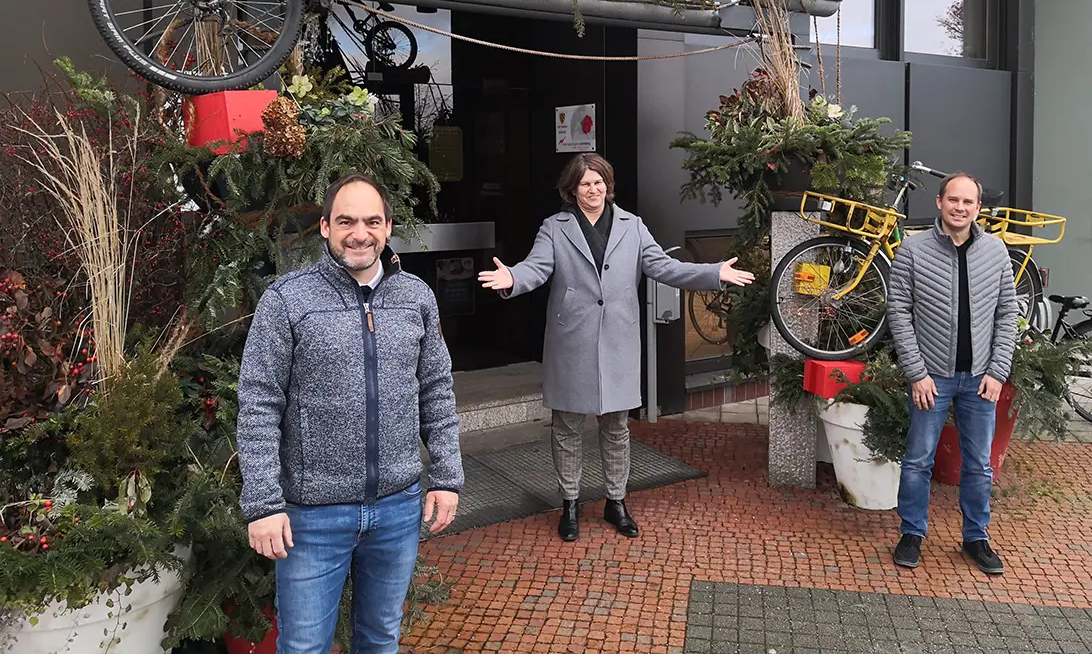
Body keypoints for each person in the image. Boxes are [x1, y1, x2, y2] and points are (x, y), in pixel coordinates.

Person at [237, 173, 463, 654]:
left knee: (380, 640)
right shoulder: (287, 300)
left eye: (372, 222)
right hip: (311, 516)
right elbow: (258, 403)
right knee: (303, 647)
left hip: (398, 508)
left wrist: (447, 476)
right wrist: (263, 504)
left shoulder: (416, 297)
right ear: (325, 227)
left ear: (388, 227)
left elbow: (436, 389)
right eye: (346, 222)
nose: (360, 234)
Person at [478, 153, 755, 542]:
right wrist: (512, 277)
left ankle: (616, 501)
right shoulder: (555, 227)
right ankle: (570, 503)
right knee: (567, 427)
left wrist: (713, 272)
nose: (593, 190)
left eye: (599, 182)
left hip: (618, 340)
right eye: (584, 184)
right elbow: (536, 267)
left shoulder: (632, 226)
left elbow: (664, 267)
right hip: (571, 340)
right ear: (571, 189)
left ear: (608, 186)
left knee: (616, 427)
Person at [887, 172, 1018, 575]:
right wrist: (916, 373)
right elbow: (898, 313)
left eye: (968, 202)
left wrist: (997, 371)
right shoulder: (913, 250)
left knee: (979, 465)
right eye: (953, 200)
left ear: (978, 207)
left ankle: (976, 538)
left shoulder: (995, 251)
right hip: (932, 379)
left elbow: (1007, 314)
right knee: (918, 461)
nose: (960, 208)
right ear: (940, 202)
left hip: (980, 380)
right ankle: (911, 534)